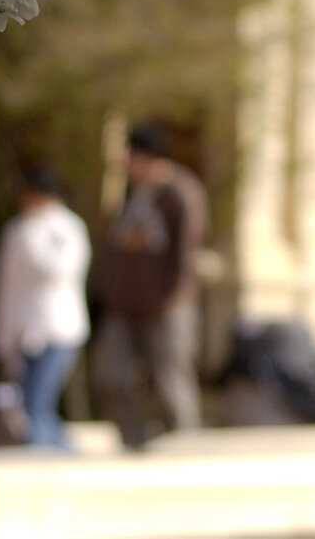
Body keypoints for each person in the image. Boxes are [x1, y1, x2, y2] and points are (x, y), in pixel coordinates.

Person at [93, 123, 207, 451]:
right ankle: (134, 440)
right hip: (124, 305)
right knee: (113, 374)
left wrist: (170, 296)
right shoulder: (130, 194)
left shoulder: (180, 193)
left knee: (171, 378)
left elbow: (186, 251)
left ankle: (182, 444)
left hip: (168, 304)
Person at [0, 167, 91, 450]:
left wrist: (34, 231)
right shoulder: (16, 229)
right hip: (24, 329)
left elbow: (57, 270)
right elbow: (7, 286)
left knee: (38, 403)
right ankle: (56, 449)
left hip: (59, 328)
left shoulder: (68, 227)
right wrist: (2, 335)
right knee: (27, 405)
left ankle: (55, 451)